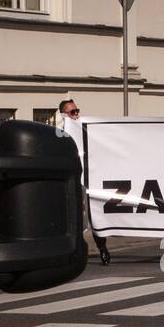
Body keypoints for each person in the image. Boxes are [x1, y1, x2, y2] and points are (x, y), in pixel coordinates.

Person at [61, 99, 110, 265]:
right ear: (64, 115)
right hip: (71, 182)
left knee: (94, 214)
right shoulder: (59, 133)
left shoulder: (84, 128)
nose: (76, 115)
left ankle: (103, 248)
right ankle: (74, 252)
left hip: (89, 181)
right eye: (72, 112)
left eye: (77, 111)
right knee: (73, 218)